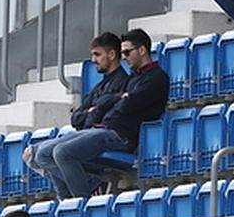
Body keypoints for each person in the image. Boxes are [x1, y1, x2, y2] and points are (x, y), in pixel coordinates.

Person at [25, 28, 167, 198]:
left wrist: (115, 102)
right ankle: (71, 198)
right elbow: (82, 116)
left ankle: (83, 201)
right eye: (122, 53)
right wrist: (116, 99)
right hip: (103, 129)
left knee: (62, 152)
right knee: (41, 154)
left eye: (127, 52)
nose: (124, 57)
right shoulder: (134, 79)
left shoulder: (156, 77)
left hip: (121, 135)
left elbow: (126, 106)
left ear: (142, 50)